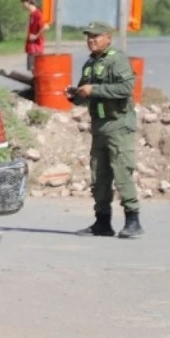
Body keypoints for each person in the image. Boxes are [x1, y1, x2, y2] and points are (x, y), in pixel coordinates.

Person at [68, 20, 143, 239]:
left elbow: (126, 88)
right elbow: (86, 95)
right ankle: (102, 222)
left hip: (118, 124)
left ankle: (133, 221)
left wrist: (95, 89)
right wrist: (75, 95)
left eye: (96, 36)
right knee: (99, 175)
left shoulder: (117, 60)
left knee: (121, 172)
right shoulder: (90, 63)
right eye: (89, 37)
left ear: (108, 38)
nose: (91, 40)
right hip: (99, 126)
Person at [21, 0, 48, 73]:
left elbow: (45, 26)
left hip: (35, 47)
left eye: (24, 2)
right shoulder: (32, 15)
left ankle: (37, 85)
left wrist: (36, 36)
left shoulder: (38, 14)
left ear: (29, 2)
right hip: (31, 47)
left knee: (36, 69)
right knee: (33, 70)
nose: (23, 5)